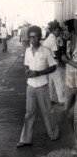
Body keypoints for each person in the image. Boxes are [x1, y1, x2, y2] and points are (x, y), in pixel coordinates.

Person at [17, 26, 59, 147]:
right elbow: (26, 65)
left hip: (42, 86)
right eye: (31, 37)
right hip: (30, 86)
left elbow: (53, 66)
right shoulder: (28, 51)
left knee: (47, 112)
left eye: (35, 37)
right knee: (29, 113)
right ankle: (25, 139)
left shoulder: (45, 50)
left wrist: (38, 73)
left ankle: (54, 134)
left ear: (40, 37)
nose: (33, 39)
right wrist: (27, 71)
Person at [61, 19, 77, 156]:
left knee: (76, 116)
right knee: (67, 112)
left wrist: (67, 61)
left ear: (73, 31)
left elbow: (68, 62)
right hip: (70, 82)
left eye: (65, 30)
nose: (63, 32)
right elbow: (64, 62)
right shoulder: (68, 43)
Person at [42, 21, 65, 105]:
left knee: (51, 81)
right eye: (59, 31)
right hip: (53, 61)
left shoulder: (49, 38)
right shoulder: (53, 39)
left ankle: (52, 98)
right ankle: (62, 100)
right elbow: (56, 52)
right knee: (59, 81)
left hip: (47, 62)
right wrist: (61, 62)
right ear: (55, 30)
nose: (60, 32)